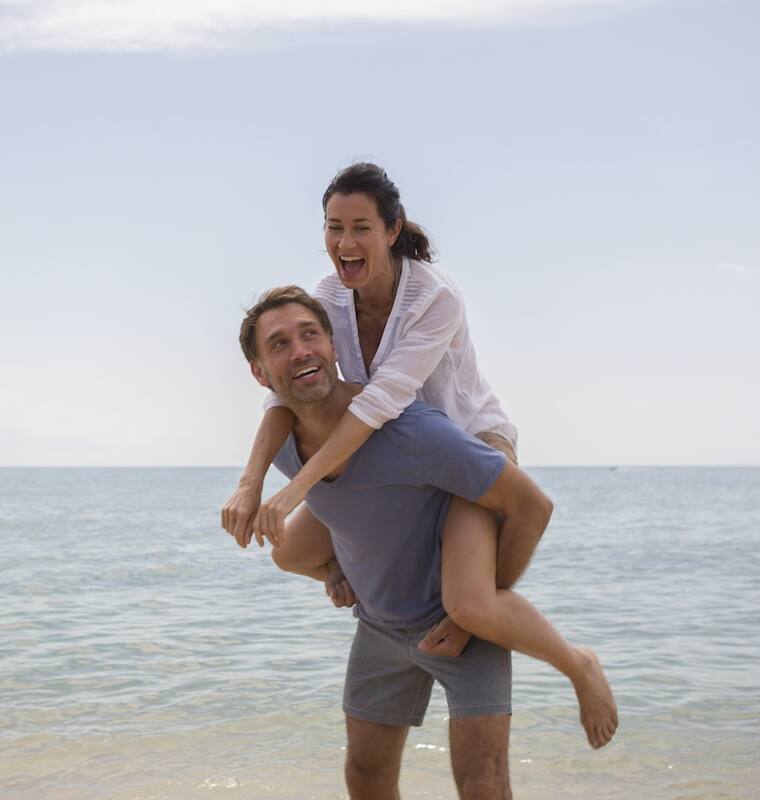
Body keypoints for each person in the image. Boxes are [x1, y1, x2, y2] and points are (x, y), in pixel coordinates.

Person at [221, 163, 618, 748]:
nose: (345, 242)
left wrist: (294, 489)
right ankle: (349, 576)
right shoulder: (328, 298)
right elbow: (285, 396)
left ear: (391, 229)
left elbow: (380, 402)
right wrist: (250, 484)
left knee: (471, 602)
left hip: (464, 448)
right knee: (288, 551)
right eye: (334, 227)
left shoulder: (435, 297)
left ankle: (576, 662)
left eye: (361, 227)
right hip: (394, 455)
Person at [237, 286, 555, 798]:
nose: (299, 351)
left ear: (334, 346)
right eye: (279, 344)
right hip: (381, 626)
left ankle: (579, 667)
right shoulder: (285, 446)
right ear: (260, 374)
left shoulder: (414, 431)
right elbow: (359, 513)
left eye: (310, 335)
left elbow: (532, 507)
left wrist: (479, 608)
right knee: (365, 773)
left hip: (460, 624)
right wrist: (338, 570)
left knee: (481, 782)